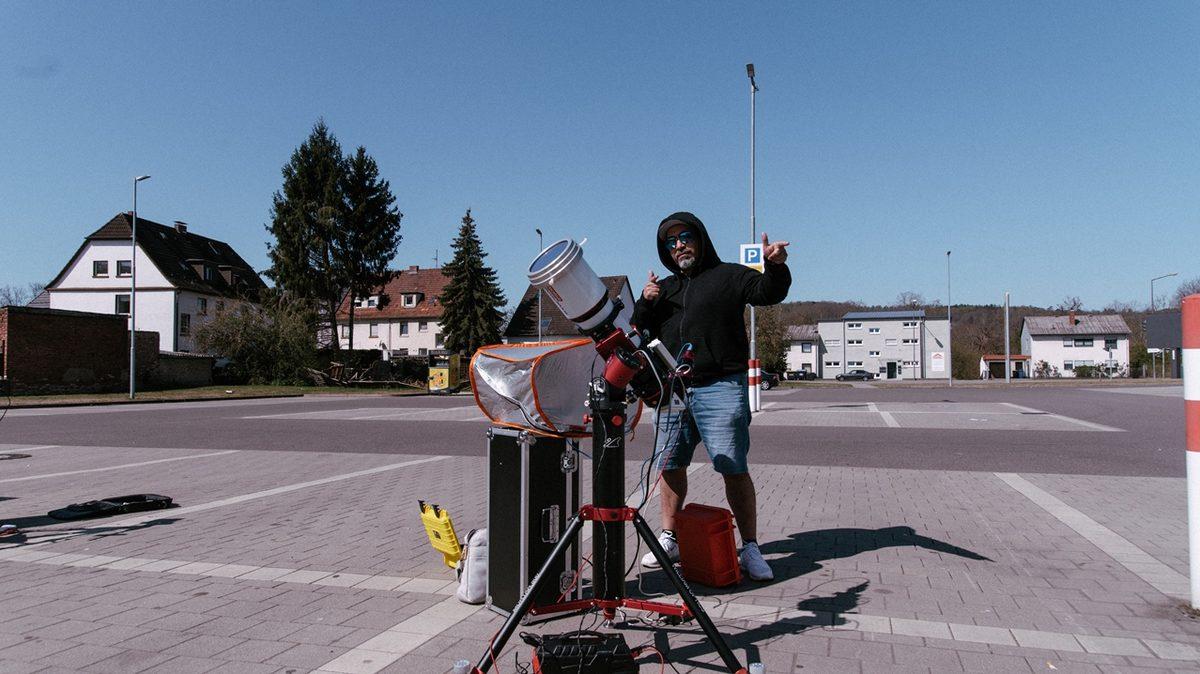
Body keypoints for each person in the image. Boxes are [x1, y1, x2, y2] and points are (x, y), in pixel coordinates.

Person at [631, 211, 790, 582]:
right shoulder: (665, 289)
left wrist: (776, 266)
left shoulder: (730, 276)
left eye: (684, 237)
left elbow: (769, 292)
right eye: (670, 243)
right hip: (673, 391)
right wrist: (645, 300)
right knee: (670, 464)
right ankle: (670, 537)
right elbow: (639, 330)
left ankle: (750, 546)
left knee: (733, 467)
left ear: (700, 238)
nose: (678, 246)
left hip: (721, 387)